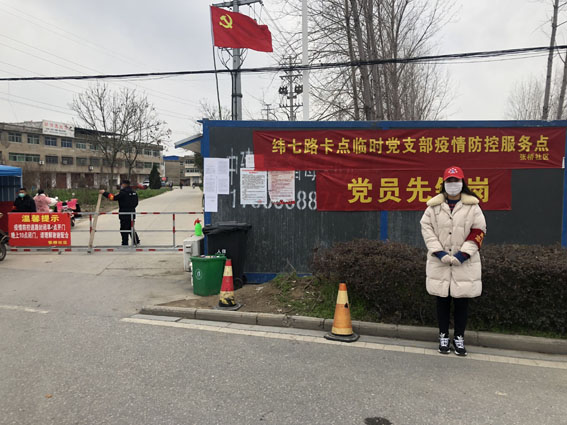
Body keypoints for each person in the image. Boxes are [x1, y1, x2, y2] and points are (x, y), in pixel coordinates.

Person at [420, 166, 487, 357]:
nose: (452, 184)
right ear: (444, 183)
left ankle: (459, 337)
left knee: (461, 302)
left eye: (456, 181)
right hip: (439, 262)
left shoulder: (472, 206)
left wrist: (464, 254)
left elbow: (479, 230)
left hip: (465, 263)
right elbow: (426, 229)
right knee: (441, 301)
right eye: (449, 181)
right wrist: (438, 251)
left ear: (462, 182)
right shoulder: (433, 207)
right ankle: (443, 336)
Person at [100, 180, 140, 246]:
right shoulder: (134, 193)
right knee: (131, 228)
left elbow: (113, 198)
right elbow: (136, 203)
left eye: (121, 184)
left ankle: (125, 243)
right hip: (132, 213)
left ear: (124, 184)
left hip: (124, 214)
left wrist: (105, 193)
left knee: (124, 229)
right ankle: (136, 241)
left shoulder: (123, 193)